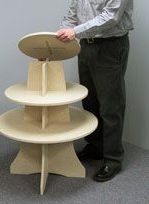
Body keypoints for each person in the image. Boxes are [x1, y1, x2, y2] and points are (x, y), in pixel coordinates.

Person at [56, 0, 133, 182]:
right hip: (85, 46)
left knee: (110, 105)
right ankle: (96, 146)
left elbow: (110, 17)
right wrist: (59, 37)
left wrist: (74, 32)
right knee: (89, 101)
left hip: (110, 47)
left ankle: (113, 159)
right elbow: (72, 14)